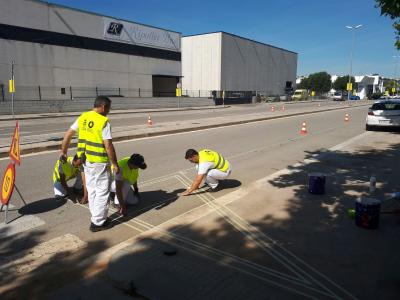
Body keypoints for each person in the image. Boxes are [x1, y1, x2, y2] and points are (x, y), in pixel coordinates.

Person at [60, 96, 119, 232]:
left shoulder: (83, 117)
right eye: (109, 108)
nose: (109, 111)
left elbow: (68, 134)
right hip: (99, 162)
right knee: (102, 191)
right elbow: (108, 145)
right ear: (104, 107)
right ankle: (98, 223)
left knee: (92, 189)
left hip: (86, 161)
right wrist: (114, 163)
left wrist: (63, 152)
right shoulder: (103, 121)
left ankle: (96, 216)